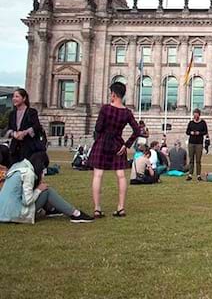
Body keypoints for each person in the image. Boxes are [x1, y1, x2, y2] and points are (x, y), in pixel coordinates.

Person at [88, 82, 144, 218]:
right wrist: (126, 145)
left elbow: (98, 128)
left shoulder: (105, 109)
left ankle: (97, 208)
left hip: (102, 142)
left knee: (98, 175)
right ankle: (121, 207)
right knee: (121, 176)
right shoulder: (127, 112)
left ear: (113, 94)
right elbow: (137, 130)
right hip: (118, 144)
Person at [0, 152, 94, 224]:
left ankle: (51, 209)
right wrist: (38, 190)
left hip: (3, 213)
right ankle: (76, 214)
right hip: (15, 214)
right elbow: (27, 201)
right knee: (47, 191)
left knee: (43, 189)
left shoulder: (18, 167)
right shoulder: (28, 173)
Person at [5, 88, 45, 165]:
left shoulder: (31, 112)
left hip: (29, 147)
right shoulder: (12, 114)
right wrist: (14, 134)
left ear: (24, 98)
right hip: (15, 148)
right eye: (13, 96)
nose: (14, 99)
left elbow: (36, 126)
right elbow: (8, 129)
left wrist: (24, 133)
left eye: (17, 96)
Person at [185, 108, 208, 181]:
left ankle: (198, 175)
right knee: (191, 159)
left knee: (198, 160)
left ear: (199, 115)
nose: (195, 116)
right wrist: (191, 132)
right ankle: (190, 174)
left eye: (196, 115)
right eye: (194, 115)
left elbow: (205, 132)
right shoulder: (191, 123)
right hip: (191, 142)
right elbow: (187, 132)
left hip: (199, 143)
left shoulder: (203, 123)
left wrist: (199, 133)